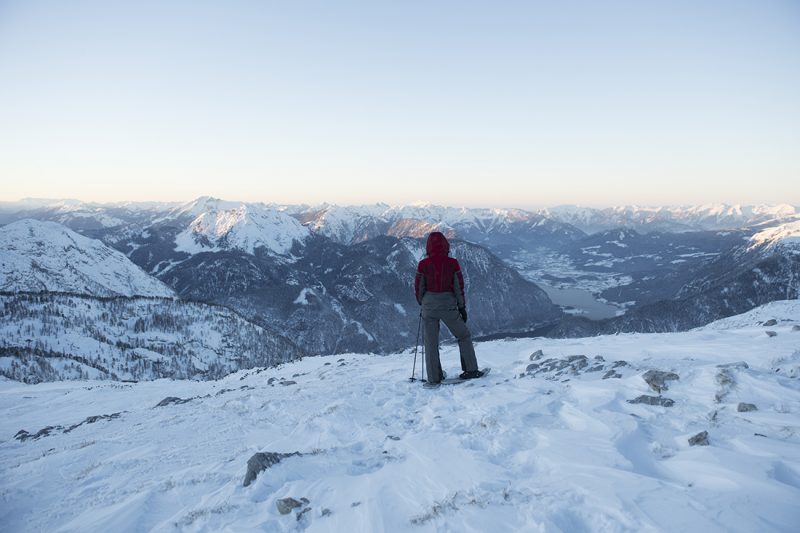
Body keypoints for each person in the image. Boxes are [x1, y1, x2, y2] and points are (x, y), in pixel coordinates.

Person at [414, 231, 482, 384]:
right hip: (448, 306)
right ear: (446, 245)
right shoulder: (453, 263)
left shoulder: (423, 265)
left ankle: (434, 377)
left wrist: (422, 302)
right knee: (463, 335)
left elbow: (418, 287)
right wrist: (462, 307)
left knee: (431, 343)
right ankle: (471, 370)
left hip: (428, 307)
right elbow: (459, 287)